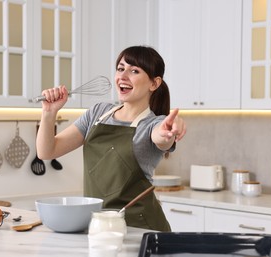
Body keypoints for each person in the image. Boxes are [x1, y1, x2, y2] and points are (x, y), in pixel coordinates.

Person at [36, 46, 186, 231]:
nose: (123, 76)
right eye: (121, 68)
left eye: (134, 71)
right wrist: (48, 113)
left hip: (140, 229)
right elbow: (46, 151)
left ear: (154, 84)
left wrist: (167, 132)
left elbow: (161, 137)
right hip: (100, 226)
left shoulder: (153, 124)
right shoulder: (98, 113)